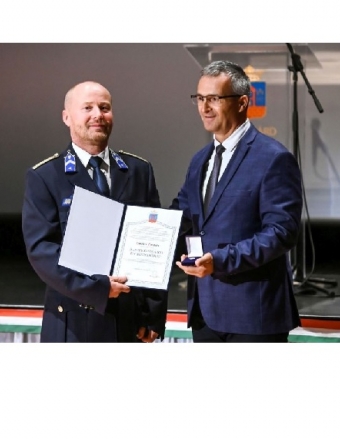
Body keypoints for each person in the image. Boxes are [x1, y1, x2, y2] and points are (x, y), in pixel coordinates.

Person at [22, 81, 167, 342]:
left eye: (104, 107)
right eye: (87, 108)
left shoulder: (139, 170)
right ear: (67, 117)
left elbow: (154, 243)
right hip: (73, 323)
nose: (98, 114)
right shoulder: (45, 175)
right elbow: (42, 251)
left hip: (128, 323)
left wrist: (153, 313)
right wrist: (97, 289)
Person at [173, 60, 302, 342]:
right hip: (205, 313)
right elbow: (180, 216)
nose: (204, 107)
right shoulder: (199, 160)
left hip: (254, 316)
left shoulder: (273, 158)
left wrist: (219, 260)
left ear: (243, 102)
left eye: (214, 99)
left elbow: (281, 232)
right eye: (200, 98)